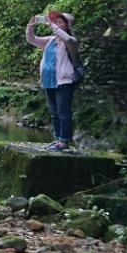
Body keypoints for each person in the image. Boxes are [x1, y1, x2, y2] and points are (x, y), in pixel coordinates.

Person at [26, 11, 79, 151]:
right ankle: (57, 140)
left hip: (64, 81)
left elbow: (67, 39)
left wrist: (52, 26)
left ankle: (64, 141)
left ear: (68, 25)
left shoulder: (71, 41)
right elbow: (32, 40)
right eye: (57, 22)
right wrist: (30, 27)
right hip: (49, 81)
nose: (57, 24)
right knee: (54, 113)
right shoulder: (50, 40)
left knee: (63, 112)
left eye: (61, 22)